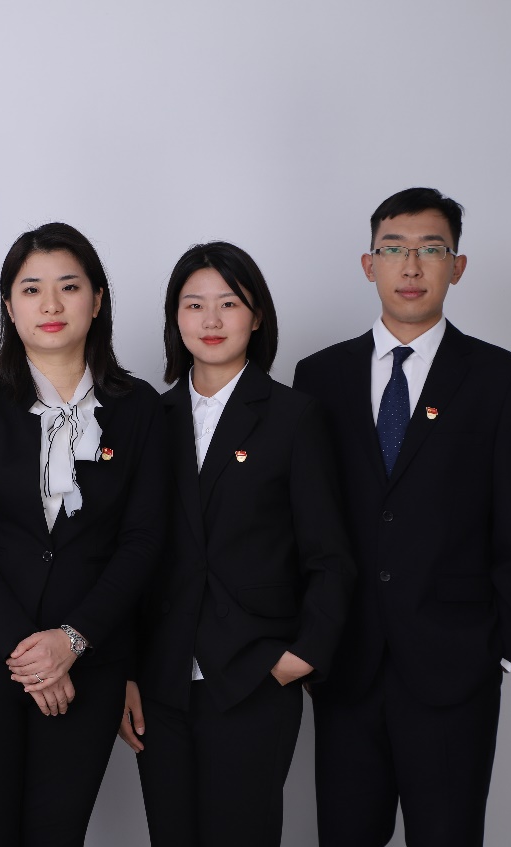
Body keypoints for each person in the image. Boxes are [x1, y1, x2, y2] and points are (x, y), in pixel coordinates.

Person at [293, 187, 511, 847]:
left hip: (454, 667)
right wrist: (309, 638)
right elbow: (302, 517)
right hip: (346, 664)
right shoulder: (318, 376)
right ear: (368, 264)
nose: (410, 266)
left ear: (456, 266)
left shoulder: (502, 380)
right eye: (393, 249)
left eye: (430, 249)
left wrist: (503, 649)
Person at [0, 222, 168, 847]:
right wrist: (29, 653)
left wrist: (73, 640)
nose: (51, 305)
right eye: (31, 289)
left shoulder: (139, 407)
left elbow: (142, 541)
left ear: (98, 299)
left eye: (69, 286)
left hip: (89, 664)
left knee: (57, 834)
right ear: (10, 307)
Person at [117, 241, 354, 846]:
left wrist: (301, 656)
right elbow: (129, 556)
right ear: (175, 318)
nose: (212, 320)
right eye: (194, 304)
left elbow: (329, 554)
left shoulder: (294, 416)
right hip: (162, 681)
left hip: (254, 676)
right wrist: (126, 673)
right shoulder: (150, 418)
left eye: (229, 303)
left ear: (257, 315)